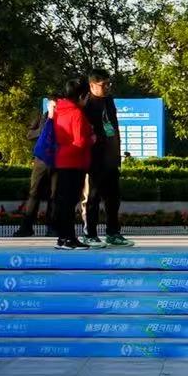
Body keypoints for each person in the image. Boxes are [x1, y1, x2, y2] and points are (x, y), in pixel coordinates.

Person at [83, 73, 130, 247]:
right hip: (94, 159)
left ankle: (113, 233)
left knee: (113, 198)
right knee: (93, 198)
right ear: (92, 85)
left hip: (111, 157)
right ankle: (90, 234)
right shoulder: (86, 103)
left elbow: (113, 126)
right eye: (103, 85)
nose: (107, 87)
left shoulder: (109, 100)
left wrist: (117, 154)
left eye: (109, 84)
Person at [48, 79, 95, 249]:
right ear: (82, 96)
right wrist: (92, 138)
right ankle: (69, 238)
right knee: (70, 202)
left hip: (61, 160)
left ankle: (62, 238)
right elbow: (80, 142)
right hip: (75, 162)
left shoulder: (59, 110)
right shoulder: (76, 113)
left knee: (63, 202)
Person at [16, 103, 57, 238]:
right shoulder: (41, 117)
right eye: (52, 105)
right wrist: (43, 129)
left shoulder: (65, 117)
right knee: (34, 193)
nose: (55, 107)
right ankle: (26, 227)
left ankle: (52, 228)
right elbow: (29, 135)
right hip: (41, 162)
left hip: (58, 161)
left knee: (54, 195)